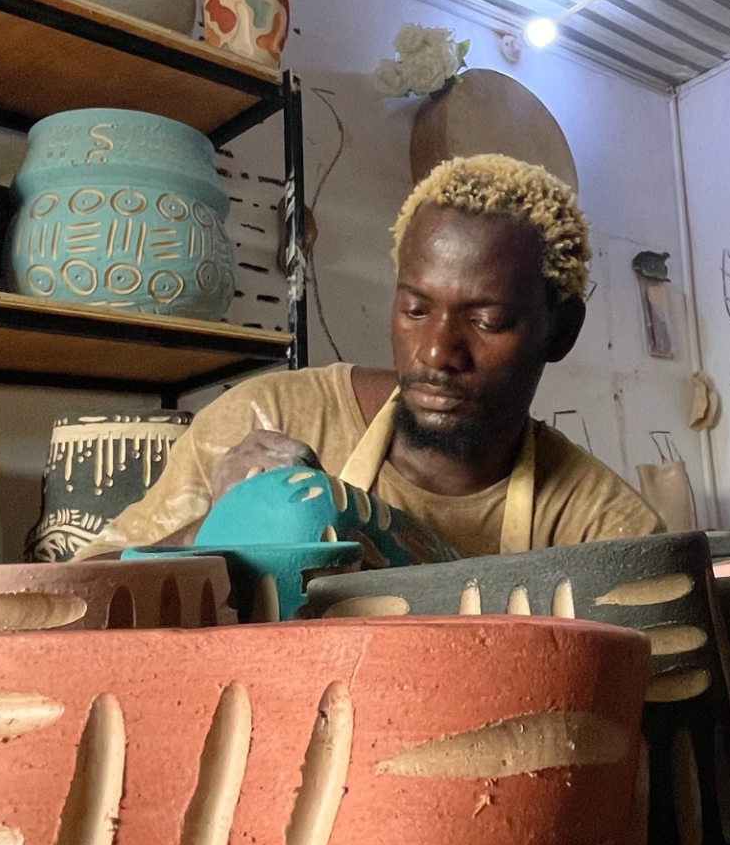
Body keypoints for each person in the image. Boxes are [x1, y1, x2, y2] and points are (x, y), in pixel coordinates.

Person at [73, 153, 665, 559]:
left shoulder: (603, 527)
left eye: (487, 321)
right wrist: (214, 535)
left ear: (560, 331)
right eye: (414, 309)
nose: (436, 351)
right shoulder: (264, 421)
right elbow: (80, 596)